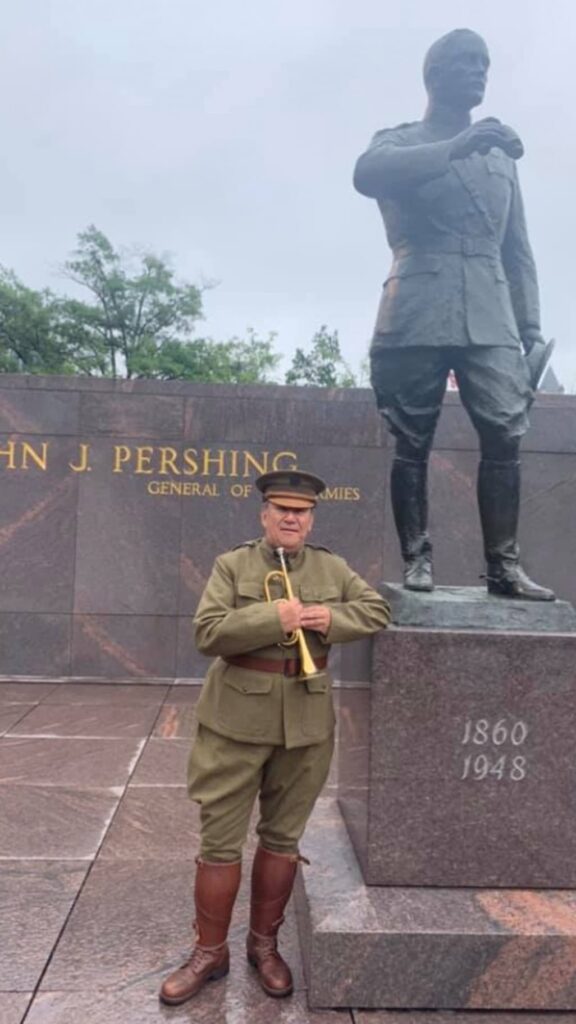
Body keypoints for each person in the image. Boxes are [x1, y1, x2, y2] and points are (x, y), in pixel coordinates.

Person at [159, 469, 390, 1006]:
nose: (291, 518)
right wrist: (274, 615)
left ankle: (265, 946)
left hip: (306, 723)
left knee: (283, 840)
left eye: (301, 511)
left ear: (311, 519)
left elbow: (376, 610)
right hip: (235, 722)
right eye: (281, 509)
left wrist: (326, 615)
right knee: (219, 840)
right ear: (264, 514)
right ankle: (209, 952)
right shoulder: (232, 565)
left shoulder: (332, 567)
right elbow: (207, 632)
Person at [353, 28, 555, 600]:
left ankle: (504, 568)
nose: (478, 72)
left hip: (490, 313)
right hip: (416, 305)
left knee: (505, 436)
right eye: (465, 62)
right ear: (434, 75)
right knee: (412, 439)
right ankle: (417, 560)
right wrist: (456, 148)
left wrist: (531, 328)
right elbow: (366, 174)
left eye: (484, 64)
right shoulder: (399, 141)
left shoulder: (500, 160)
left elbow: (518, 248)